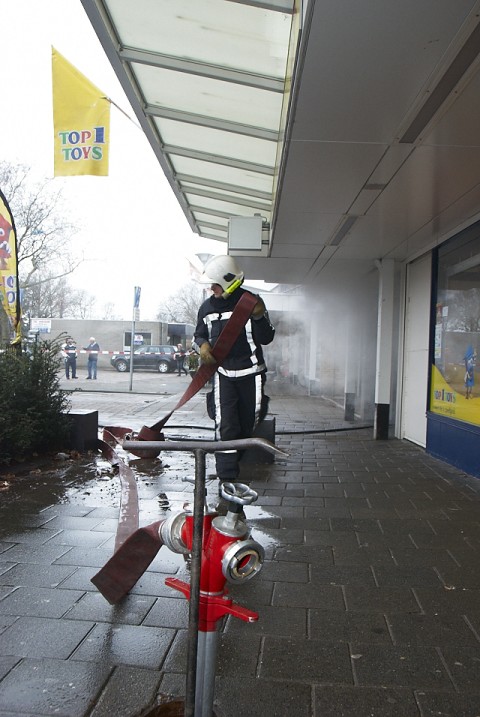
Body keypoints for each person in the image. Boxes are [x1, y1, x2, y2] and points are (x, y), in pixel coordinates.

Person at [193, 254, 275, 486]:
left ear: (228, 281)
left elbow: (267, 337)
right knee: (226, 425)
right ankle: (227, 478)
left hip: (252, 373)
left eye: (215, 284)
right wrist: (202, 346)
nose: (212, 289)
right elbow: (198, 334)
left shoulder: (251, 302)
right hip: (223, 375)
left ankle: (234, 459)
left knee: (249, 422)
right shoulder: (206, 308)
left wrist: (259, 316)